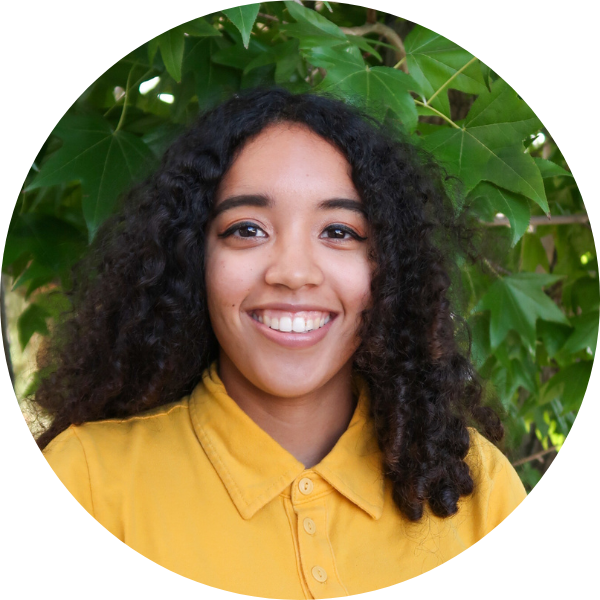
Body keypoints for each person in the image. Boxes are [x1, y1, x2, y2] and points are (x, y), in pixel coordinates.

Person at [36, 88, 526, 596]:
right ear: (192, 259)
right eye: (247, 229)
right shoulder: (87, 482)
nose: (293, 273)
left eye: (339, 232)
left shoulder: (479, 490)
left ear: (391, 269)